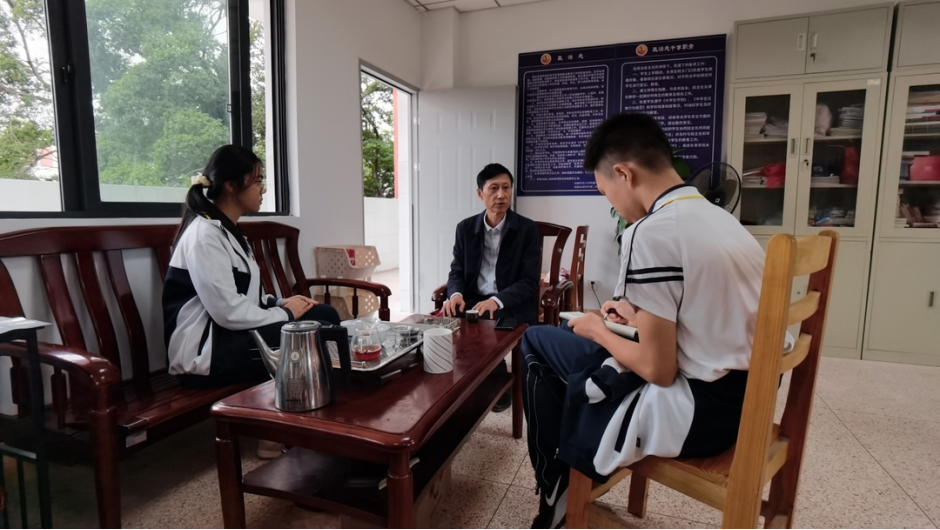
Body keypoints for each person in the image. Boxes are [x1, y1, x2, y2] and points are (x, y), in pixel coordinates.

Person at [521, 114, 766, 529]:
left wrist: (598, 328)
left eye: (606, 192)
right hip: (744, 403)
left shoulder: (651, 230)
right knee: (577, 342)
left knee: (538, 339)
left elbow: (658, 369)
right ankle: (569, 467)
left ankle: (557, 483)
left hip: (699, 413)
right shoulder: (720, 219)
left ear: (623, 174)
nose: (613, 204)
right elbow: (705, 309)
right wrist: (639, 315)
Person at [163, 145, 340, 456]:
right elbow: (228, 312)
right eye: (257, 181)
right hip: (205, 353)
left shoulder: (227, 231)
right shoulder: (204, 235)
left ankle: (310, 415)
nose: (263, 189)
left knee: (325, 314)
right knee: (313, 333)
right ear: (231, 186)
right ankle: (275, 434)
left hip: (229, 335)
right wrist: (286, 315)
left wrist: (282, 302)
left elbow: (248, 296)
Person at [441, 163, 541, 412]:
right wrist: (455, 294)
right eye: (493, 188)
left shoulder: (527, 229)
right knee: (447, 321)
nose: (501, 195)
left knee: (488, 326)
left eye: (506, 188)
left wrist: (496, 301)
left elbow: (529, 280)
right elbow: (456, 271)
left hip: (511, 303)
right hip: (474, 300)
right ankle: (458, 384)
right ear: (480, 193)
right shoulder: (465, 228)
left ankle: (498, 384)